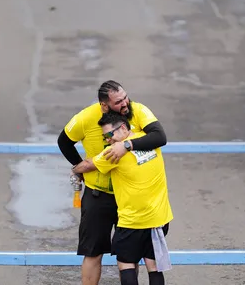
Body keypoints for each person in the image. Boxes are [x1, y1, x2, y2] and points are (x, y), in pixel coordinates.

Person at [57, 80, 167, 285]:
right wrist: (78, 166)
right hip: (99, 195)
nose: (126, 104)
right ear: (105, 105)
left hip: (130, 198)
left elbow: (160, 136)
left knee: (129, 256)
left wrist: (127, 145)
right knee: (93, 252)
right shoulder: (86, 117)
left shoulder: (138, 110)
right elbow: (64, 142)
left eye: (126, 97)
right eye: (119, 102)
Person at [73, 113, 173, 285]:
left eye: (110, 135)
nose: (108, 141)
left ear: (124, 128)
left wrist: (75, 170)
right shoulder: (149, 140)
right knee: (153, 265)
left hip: (132, 222)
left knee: (126, 265)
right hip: (159, 218)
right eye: (105, 137)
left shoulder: (114, 153)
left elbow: (89, 165)